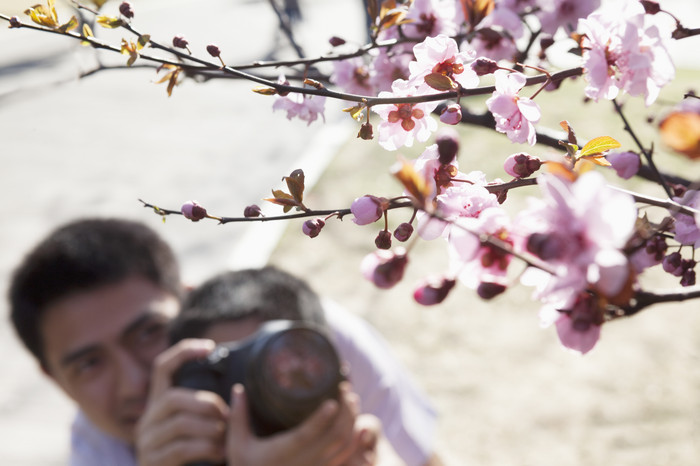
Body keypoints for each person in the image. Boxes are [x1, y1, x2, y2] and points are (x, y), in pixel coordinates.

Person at [8, 218, 439, 465]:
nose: (136, 381)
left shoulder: (305, 347)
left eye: (147, 333)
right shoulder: (99, 447)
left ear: (189, 301)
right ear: (53, 379)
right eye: (89, 365)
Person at [169, 267, 442, 466]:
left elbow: (429, 459)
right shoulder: (177, 450)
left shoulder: (351, 445)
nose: (259, 396)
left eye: (298, 376)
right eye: (232, 372)